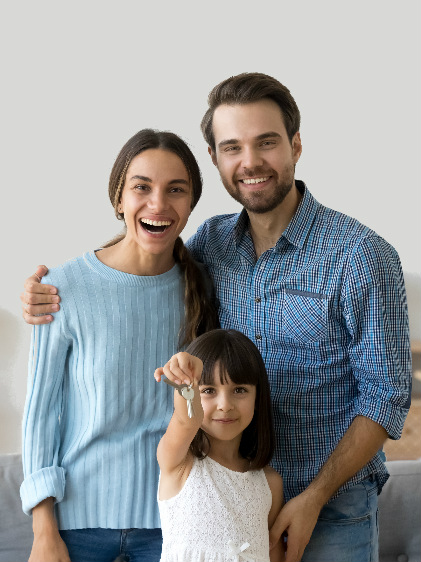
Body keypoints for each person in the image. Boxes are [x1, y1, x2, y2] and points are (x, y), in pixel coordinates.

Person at [21, 73, 412, 562]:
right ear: (216, 158)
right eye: (232, 147)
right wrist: (56, 287)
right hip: (225, 498)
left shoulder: (363, 256)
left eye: (266, 143)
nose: (250, 162)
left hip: (331, 506)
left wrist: (313, 497)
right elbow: (145, 242)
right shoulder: (211, 244)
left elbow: (387, 394)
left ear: (295, 145)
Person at [19, 128, 219, 562]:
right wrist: (43, 530)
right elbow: (40, 417)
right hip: (75, 527)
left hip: (174, 523)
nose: (158, 204)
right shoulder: (62, 288)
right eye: (141, 187)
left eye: (176, 190)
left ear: (190, 205)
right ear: (118, 198)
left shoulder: (202, 287)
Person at [154, 328, 285, 562]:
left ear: (258, 396)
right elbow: (186, 420)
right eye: (209, 391)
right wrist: (185, 373)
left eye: (239, 390)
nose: (225, 404)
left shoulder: (270, 484)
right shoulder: (178, 463)